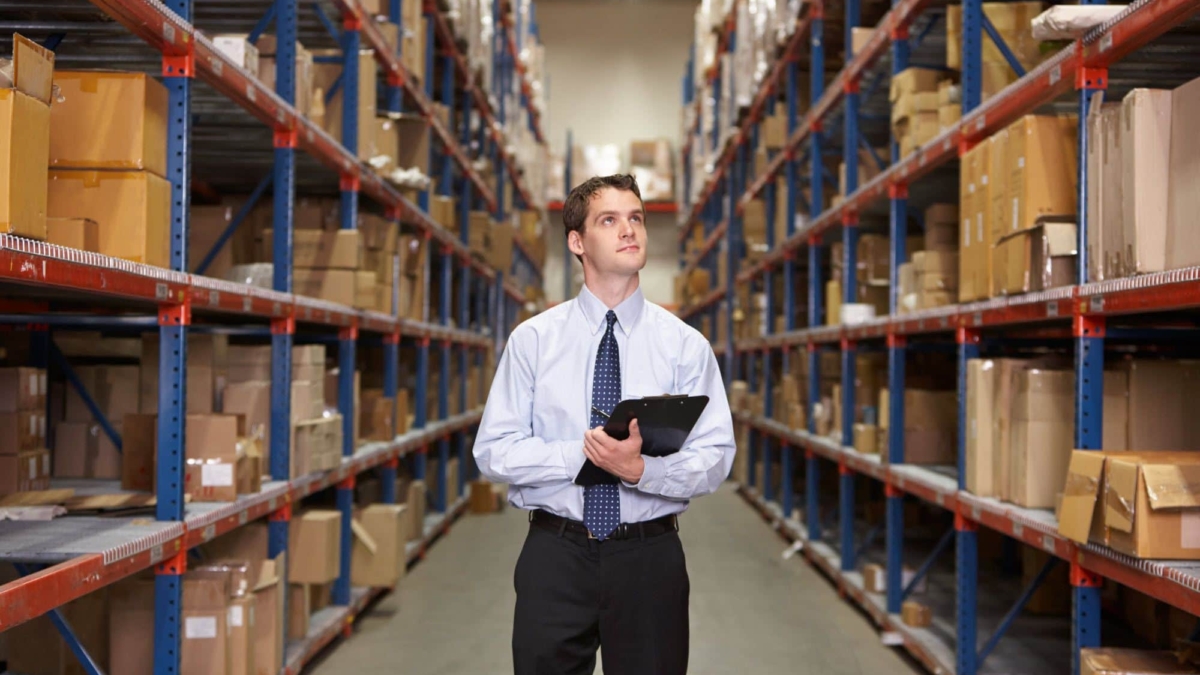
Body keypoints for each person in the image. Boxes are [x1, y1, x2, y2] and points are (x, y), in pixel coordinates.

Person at [474, 174, 736, 675]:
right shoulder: (533, 342)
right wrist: (587, 454)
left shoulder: (684, 346)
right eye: (609, 220)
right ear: (577, 242)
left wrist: (641, 471)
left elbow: (716, 457)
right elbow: (494, 451)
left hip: (649, 557)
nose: (629, 229)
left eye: (635, 217)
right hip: (555, 556)